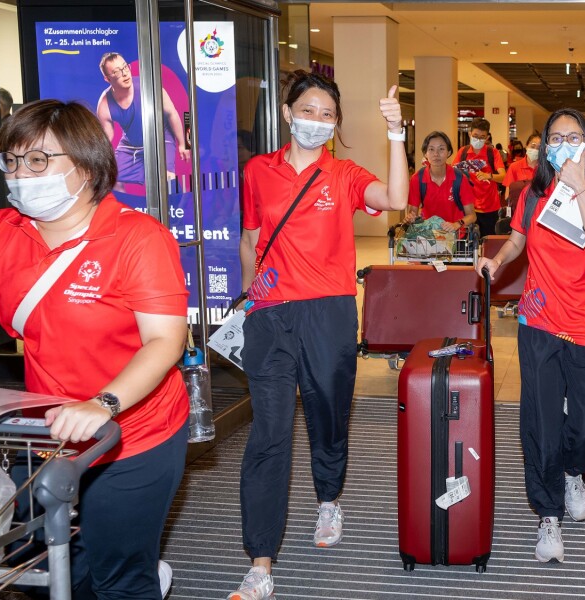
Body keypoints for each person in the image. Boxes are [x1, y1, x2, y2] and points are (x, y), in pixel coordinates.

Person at [0, 99, 189, 598]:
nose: (21, 174)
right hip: (46, 430)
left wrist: (105, 402)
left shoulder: (137, 238)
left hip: (134, 431)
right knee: (39, 568)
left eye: (38, 161)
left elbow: (165, 340)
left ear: (87, 165)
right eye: (11, 160)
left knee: (118, 574)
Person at [229, 70, 408, 600]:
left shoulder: (345, 174)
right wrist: (247, 296)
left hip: (328, 313)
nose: (317, 121)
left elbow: (396, 197)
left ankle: (329, 498)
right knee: (269, 435)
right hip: (270, 314)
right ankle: (261, 561)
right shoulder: (258, 170)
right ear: (287, 113)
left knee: (329, 416)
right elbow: (249, 239)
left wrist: (397, 132)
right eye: (308, 110)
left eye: (327, 115)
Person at [476, 108, 585, 564]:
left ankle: (575, 471)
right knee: (540, 421)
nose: (563, 144)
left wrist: (580, 187)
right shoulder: (532, 194)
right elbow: (518, 240)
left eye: (573, 136)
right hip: (538, 318)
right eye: (555, 137)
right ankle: (548, 515)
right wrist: (498, 262)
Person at [95, 52, 191, 193]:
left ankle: (180, 207)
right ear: (107, 78)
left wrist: (184, 144)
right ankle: (127, 211)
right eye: (116, 72)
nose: (124, 74)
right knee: (112, 180)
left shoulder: (150, 87)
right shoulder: (104, 104)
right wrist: (95, 158)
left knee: (168, 180)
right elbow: (107, 137)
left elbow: (173, 113)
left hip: (160, 138)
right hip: (131, 144)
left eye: (125, 68)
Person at [405, 130, 476, 230]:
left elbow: (472, 216)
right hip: (428, 237)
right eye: (431, 149)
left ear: (449, 152)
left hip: (456, 237)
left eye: (441, 149)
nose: (436, 154)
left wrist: (456, 224)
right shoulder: (417, 179)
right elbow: (412, 212)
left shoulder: (460, 179)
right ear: (425, 154)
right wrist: (410, 218)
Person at [454, 118, 505, 237]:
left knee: (488, 244)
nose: (478, 139)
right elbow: (453, 173)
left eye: (482, 137)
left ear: (487, 137)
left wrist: (489, 176)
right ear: (470, 134)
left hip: (490, 208)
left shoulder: (493, 153)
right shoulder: (463, 152)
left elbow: (503, 177)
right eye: (475, 135)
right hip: (468, 208)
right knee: (468, 245)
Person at [501, 132, 540, 213]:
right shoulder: (514, 167)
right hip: (518, 213)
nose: (535, 150)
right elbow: (508, 196)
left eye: (539, 148)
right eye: (532, 146)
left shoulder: (545, 169)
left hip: (537, 212)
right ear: (526, 146)